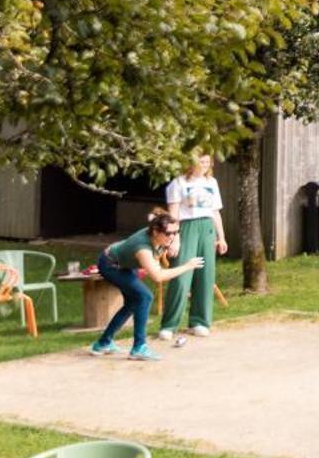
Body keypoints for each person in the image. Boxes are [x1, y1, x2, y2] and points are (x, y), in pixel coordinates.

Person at [90, 210, 203, 361]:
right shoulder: (142, 247)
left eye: (176, 232)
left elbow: (156, 260)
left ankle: (103, 343)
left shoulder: (159, 237)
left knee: (133, 302)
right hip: (111, 264)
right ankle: (139, 347)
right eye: (169, 234)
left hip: (125, 263)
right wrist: (187, 266)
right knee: (144, 297)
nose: (173, 237)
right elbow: (158, 276)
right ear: (156, 231)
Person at [159, 153, 225, 340]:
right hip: (186, 227)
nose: (204, 165)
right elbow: (173, 214)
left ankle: (200, 321)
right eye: (200, 162)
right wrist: (175, 238)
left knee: (205, 275)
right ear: (191, 163)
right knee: (181, 276)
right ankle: (169, 325)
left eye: (207, 162)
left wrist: (222, 237)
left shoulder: (212, 182)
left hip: (207, 227)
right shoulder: (178, 183)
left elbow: (215, 212)